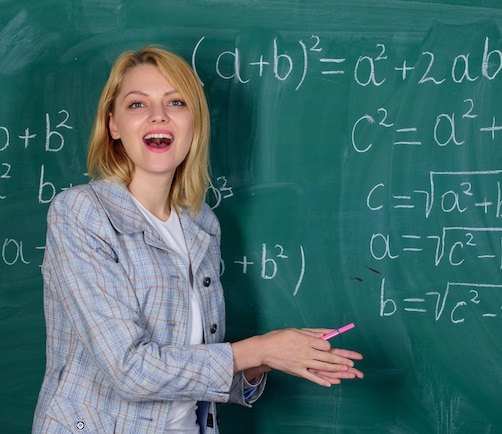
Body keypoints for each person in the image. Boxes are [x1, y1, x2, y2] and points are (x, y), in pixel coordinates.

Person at [32, 46, 363, 433]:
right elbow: (128, 370)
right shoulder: (81, 213)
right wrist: (258, 348)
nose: (158, 115)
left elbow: (197, 367)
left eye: (175, 102)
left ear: (194, 123)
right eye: (138, 105)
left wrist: (271, 357)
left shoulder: (200, 224)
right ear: (113, 126)